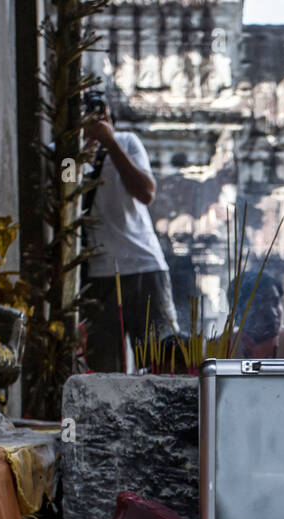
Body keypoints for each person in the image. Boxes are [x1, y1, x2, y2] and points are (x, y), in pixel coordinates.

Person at [81, 92, 181, 372]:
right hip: (98, 274)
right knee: (104, 367)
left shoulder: (126, 142)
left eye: (102, 113)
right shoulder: (64, 152)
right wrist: (81, 151)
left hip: (142, 266)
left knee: (159, 360)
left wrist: (109, 143)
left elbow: (146, 192)